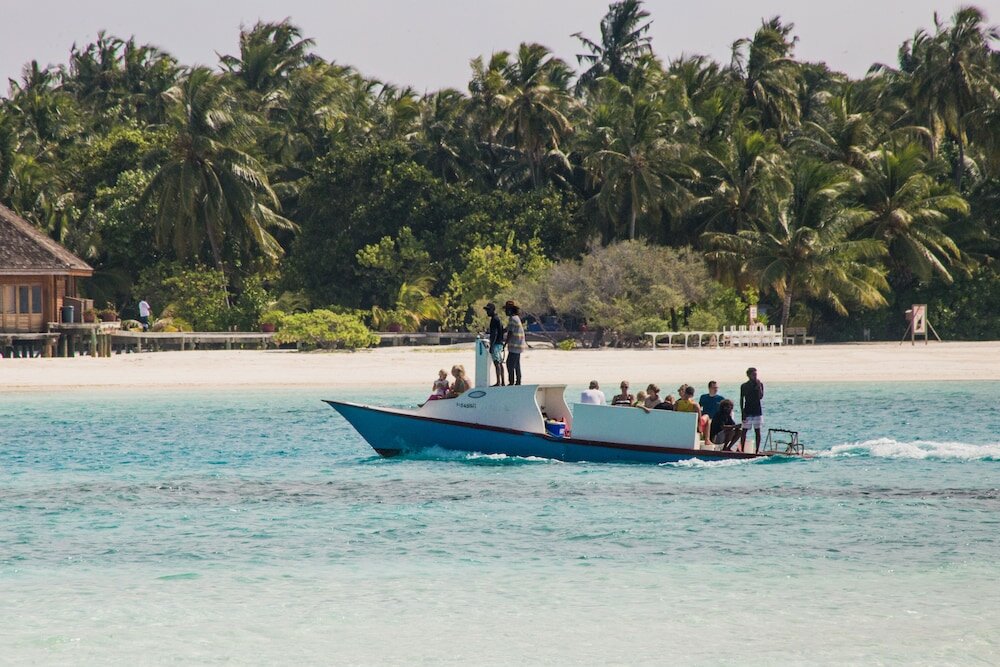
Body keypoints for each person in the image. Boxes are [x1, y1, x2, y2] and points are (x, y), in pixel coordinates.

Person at [740, 367, 765, 453]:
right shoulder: (744, 386)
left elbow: (761, 397)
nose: (755, 376)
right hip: (747, 410)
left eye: (756, 374)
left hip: (757, 411)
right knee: (744, 431)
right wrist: (742, 412)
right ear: (748, 375)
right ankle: (742, 450)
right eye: (753, 375)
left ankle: (757, 450)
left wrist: (759, 387)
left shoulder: (760, 384)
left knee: (757, 431)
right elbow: (741, 399)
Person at [503, 300, 525, 385]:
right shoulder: (516, 318)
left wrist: (505, 343)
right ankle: (518, 381)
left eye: (506, 310)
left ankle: (511, 382)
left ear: (509, 310)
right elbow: (507, 329)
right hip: (519, 345)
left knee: (510, 364)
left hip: (515, 345)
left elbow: (510, 332)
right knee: (516, 364)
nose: (505, 311)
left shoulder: (512, 318)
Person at [484, 302, 505, 386]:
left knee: (497, 363)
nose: (487, 312)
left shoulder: (494, 320)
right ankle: (502, 381)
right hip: (500, 343)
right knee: (500, 362)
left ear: (492, 310)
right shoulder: (498, 319)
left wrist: (491, 345)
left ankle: (498, 382)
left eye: (488, 310)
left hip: (496, 344)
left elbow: (494, 333)